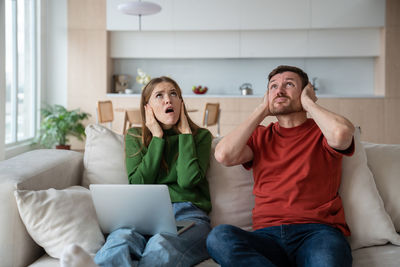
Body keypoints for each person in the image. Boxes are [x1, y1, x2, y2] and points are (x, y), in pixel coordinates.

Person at [206, 65, 355, 267]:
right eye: (273, 86)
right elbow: (224, 155)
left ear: (305, 92)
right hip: (267, 236)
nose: (279, 90)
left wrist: (309, 103)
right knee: (219, 237)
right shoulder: (260, 135)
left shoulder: (322, 132)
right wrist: (261, 110)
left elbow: (342, 135)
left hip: (317, 233)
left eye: (289, 84)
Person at [61, 76, 213, 267]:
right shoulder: (135, 136)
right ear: (147, 108)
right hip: (143, 214)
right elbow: (139, 184)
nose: (168, 99)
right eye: (159, 95)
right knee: (120, 239)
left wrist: (185, 135)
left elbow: (187, 180)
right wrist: (157, 138)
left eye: (173, 94)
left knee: (161, 244)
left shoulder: (200, 137)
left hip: (188, 215)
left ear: (181, 102)